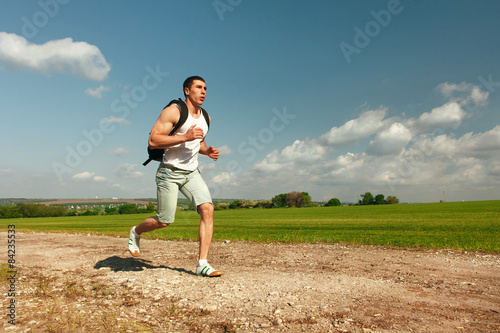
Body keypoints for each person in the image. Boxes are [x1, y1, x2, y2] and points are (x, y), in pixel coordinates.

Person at [128, 76, 222, 277]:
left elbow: (199, 143)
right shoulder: (174, 111)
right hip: (168, 173)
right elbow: (153, 141)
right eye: (198, 87)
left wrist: (207, 151)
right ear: (187, 91)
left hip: (191, 173)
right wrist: (185, 136)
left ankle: (202, 264)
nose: (203, 91)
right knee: (164, 221)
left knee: (208, 209)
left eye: (205, 88)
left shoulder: (206, 117)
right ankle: (136, 231)